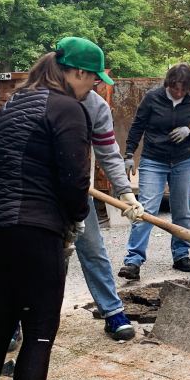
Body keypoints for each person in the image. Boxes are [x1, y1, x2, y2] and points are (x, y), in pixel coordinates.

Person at [0, 37, 109, 380]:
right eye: (93, 80)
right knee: (40, 330)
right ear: (77, 73)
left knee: (0, 320)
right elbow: (72, 180)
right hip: (30, 226)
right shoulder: (67, 109)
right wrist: (76, 221)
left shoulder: (12, 104)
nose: (95, 88)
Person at [118, 63, 190, 280]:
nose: (178, 93)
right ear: (167, 84)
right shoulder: (152, 97)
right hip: (153, 160)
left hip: (183, 161)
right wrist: (129, 155)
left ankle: (181, 255)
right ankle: (133, 261)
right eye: (175, 88)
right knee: (145, 210)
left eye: (183, 89)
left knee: (182, 211)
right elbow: (137, 126)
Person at [75, 88, 145, 340]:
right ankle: (13, 320)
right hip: (37, 195)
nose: (93, 84)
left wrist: (125, 192)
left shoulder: (95, 105)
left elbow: (107, 150)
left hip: (76, 192)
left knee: (93, 249)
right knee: (37, 257)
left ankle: (112, 312)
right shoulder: (37, 99)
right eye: (90, 76)